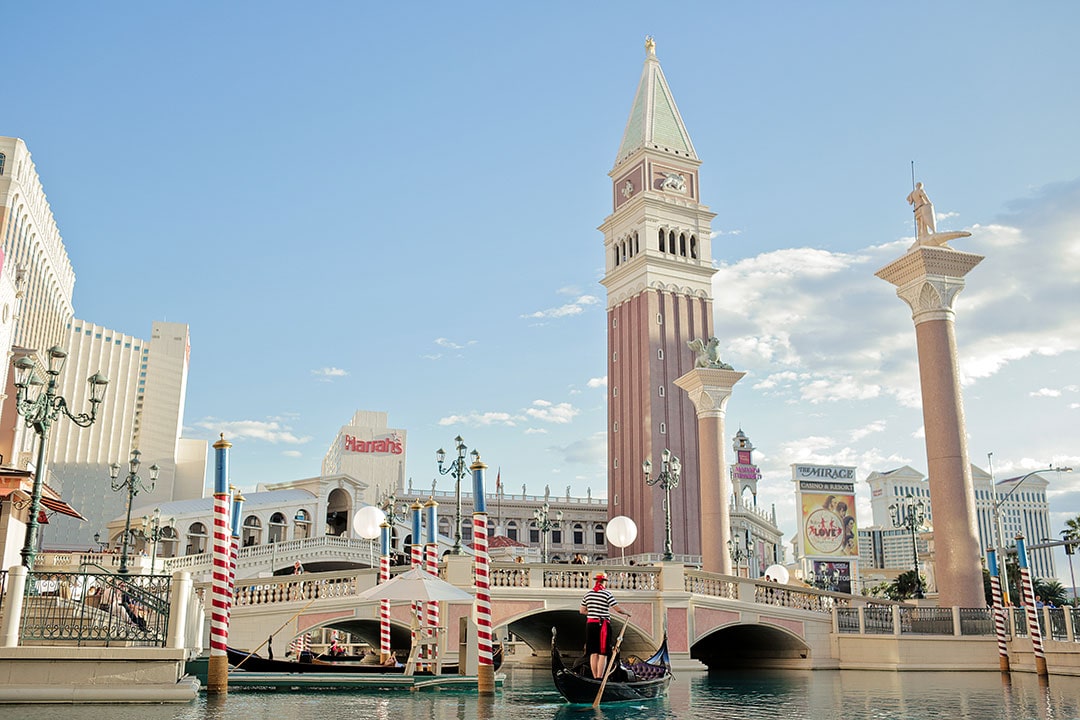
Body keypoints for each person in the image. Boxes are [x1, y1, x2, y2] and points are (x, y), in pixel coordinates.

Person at [580, 571, 631, 679]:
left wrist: (593, 612)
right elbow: (617, 609)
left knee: (593, 653)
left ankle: (595, 678)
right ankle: (599, 677)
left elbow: (582, 611)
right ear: (604, 582)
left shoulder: (588, 594)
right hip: (602, 626)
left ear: (596, 582)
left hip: (590, 625)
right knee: (602, 653)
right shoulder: (607, 594)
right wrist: (627, 613)